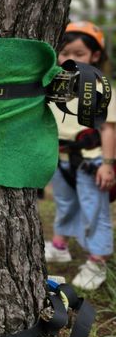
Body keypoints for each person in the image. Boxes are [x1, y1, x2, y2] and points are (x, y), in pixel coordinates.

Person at [44, 21, 115, 291]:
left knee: (94, 210)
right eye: (64, 52)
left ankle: (97, 260)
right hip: (61, 159)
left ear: (95, 56)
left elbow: (108, 129)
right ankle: (60, 245)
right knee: (65, 203)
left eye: (79, 54)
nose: (69, 59)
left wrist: (107, 164)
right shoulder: (57, 86)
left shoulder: (99, 88)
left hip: (90, 162)